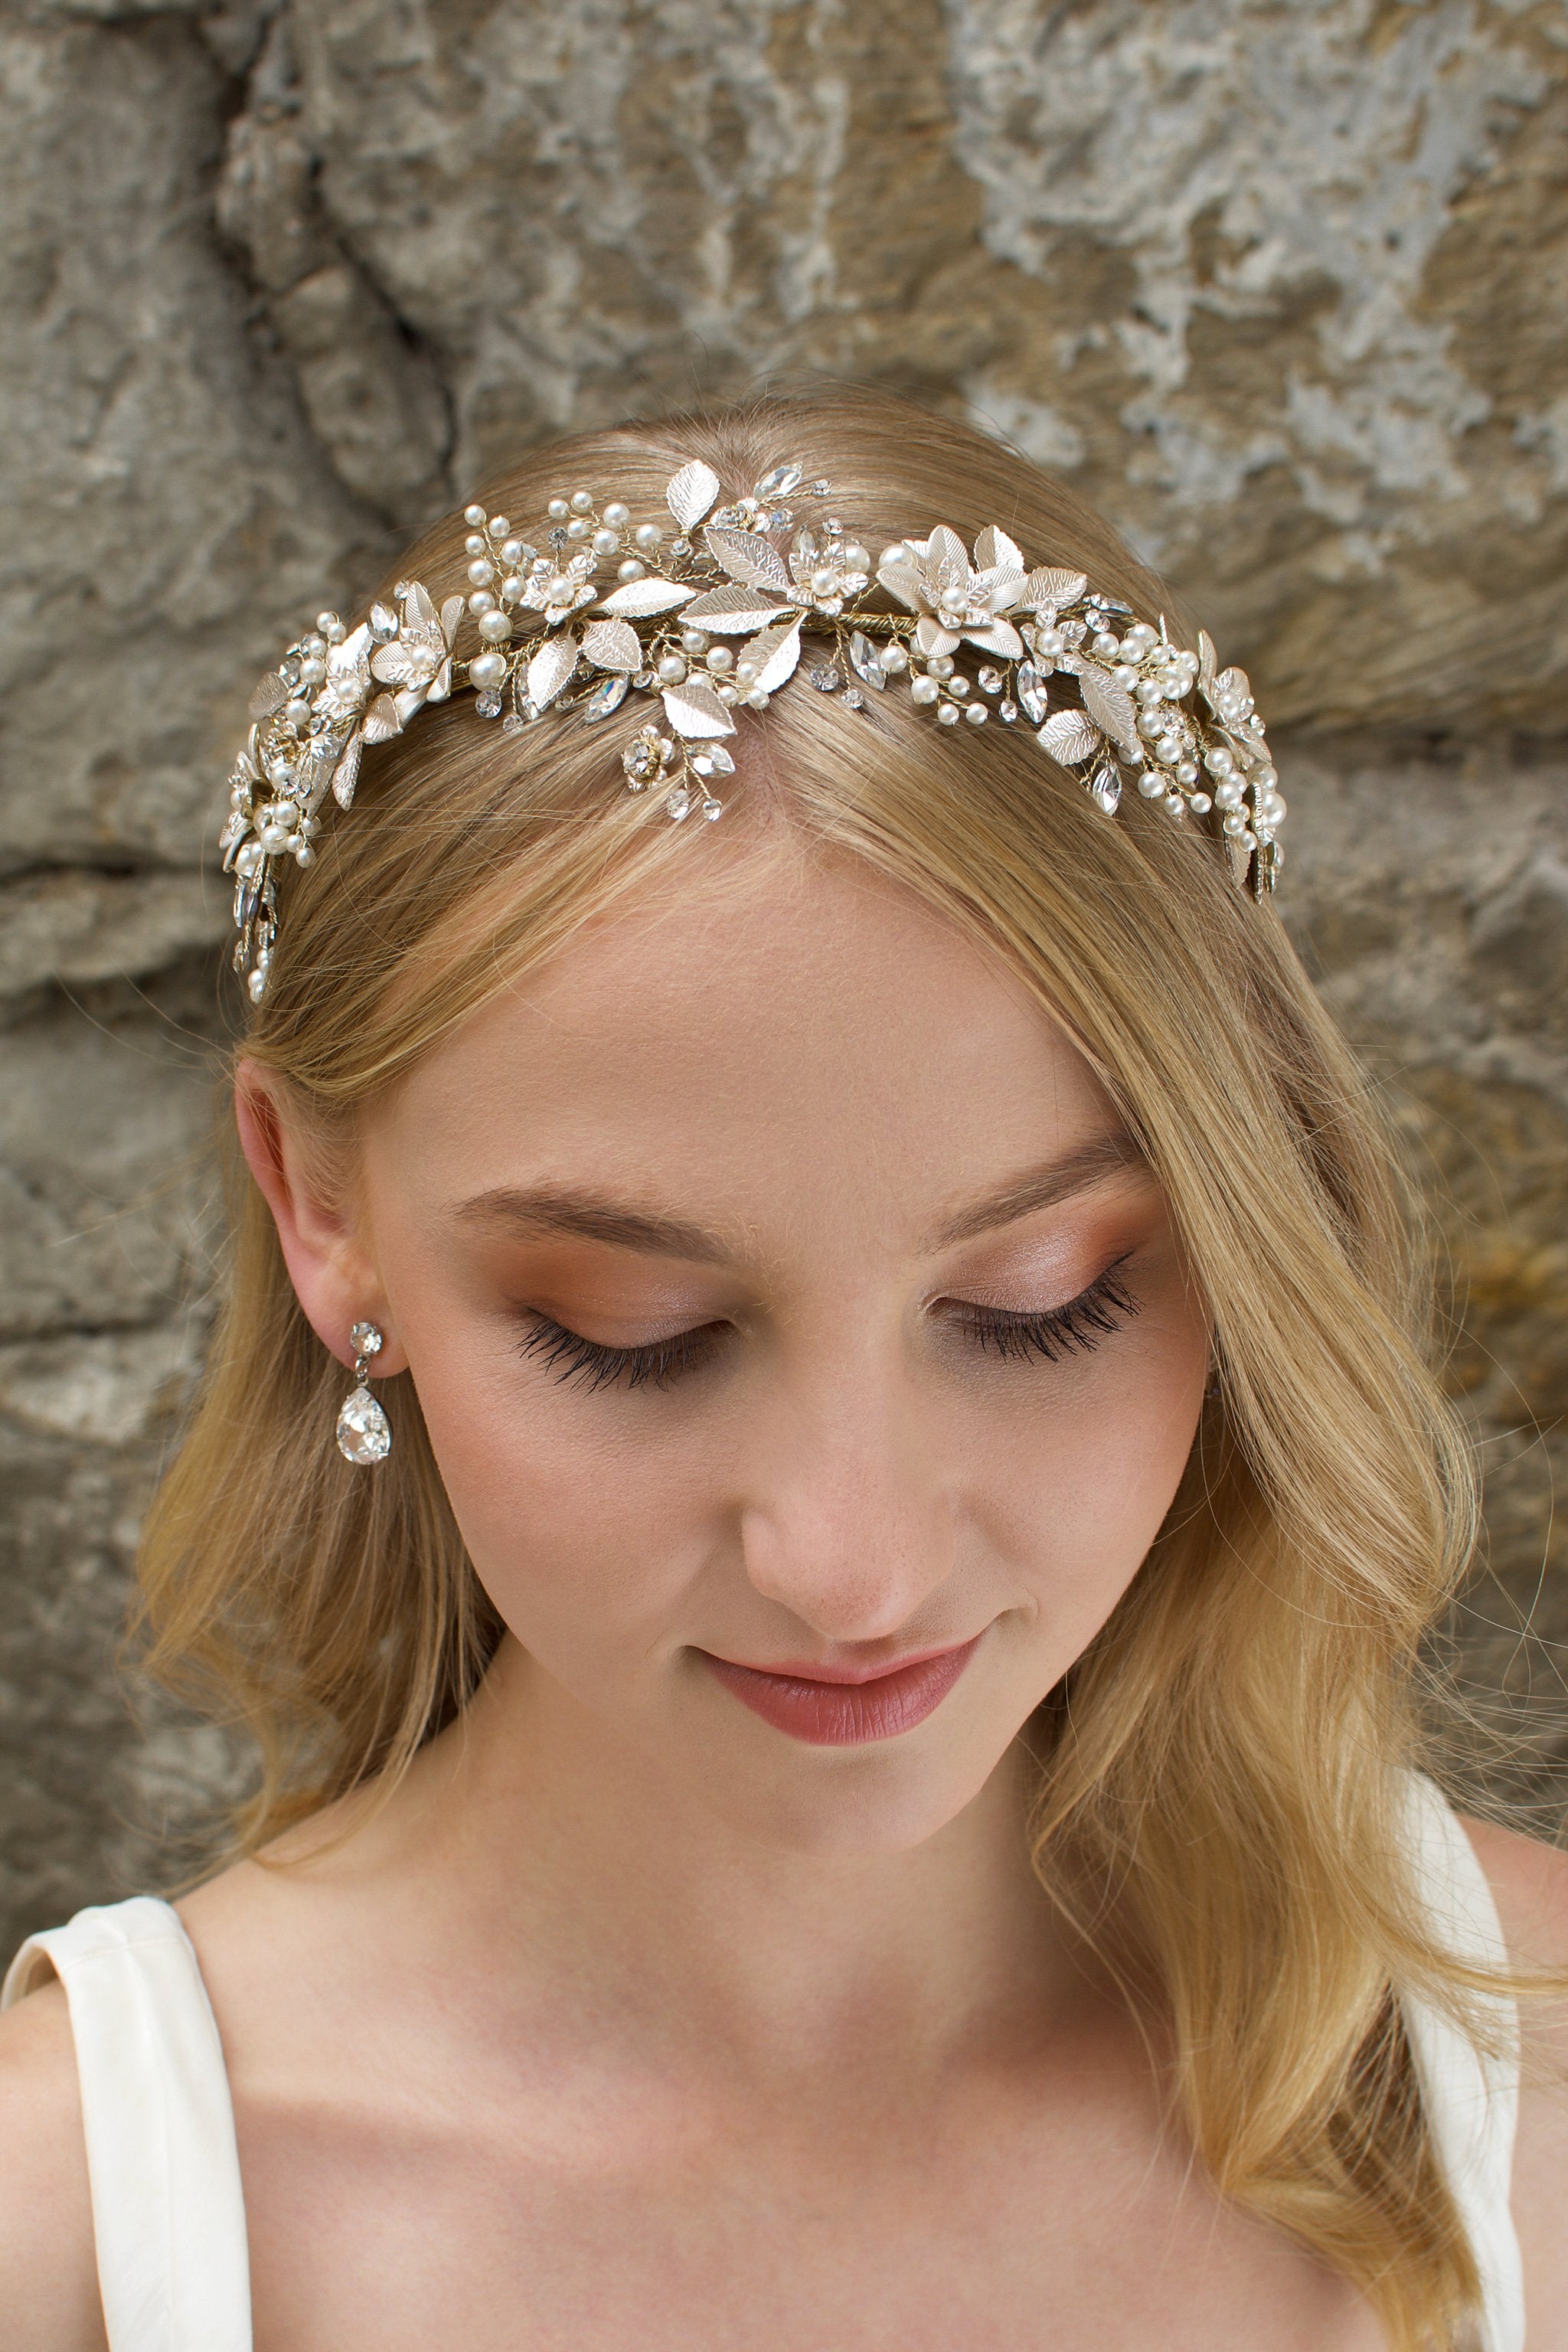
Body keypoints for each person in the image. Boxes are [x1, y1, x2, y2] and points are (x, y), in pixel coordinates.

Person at [0, 388, 1563, 2352]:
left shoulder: (1527, 2077)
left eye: (1042, 1301)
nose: (852, 1569)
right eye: (627, 1336)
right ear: (320, 1210)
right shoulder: (78, 2230)